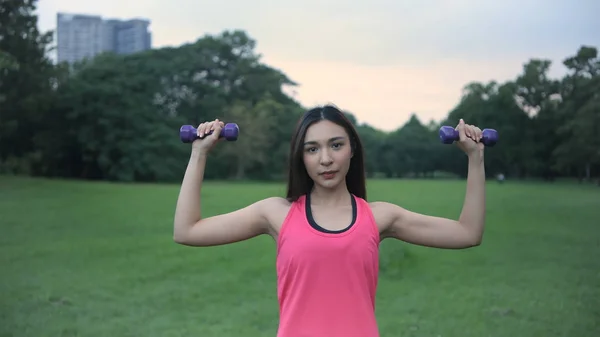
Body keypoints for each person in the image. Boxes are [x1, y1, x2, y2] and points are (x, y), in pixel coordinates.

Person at [173, 105, 487, 337]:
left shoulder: (379, 217)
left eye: (336, 145)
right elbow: (187, 231)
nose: (326, 159)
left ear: (352, 151)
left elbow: (467, 233)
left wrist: (475, 158)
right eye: (313, 149)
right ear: (301, 157)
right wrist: (199, 153)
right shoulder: (276, 214)